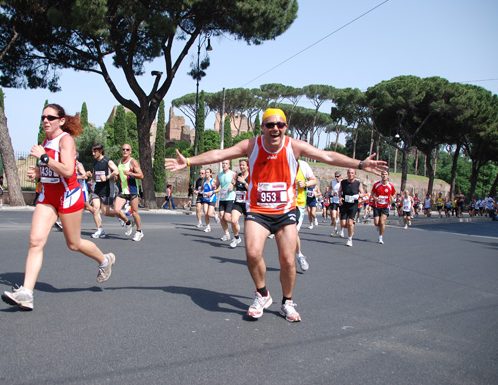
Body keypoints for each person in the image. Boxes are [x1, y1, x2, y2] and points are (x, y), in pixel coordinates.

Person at [165, 108, 387, 322]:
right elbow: (220, 153)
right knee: (252, 253)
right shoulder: (252, 145)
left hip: (285, 212)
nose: (275, 129)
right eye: (270, 125)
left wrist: (360, 164)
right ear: (262, 127)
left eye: (280, 125)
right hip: (259, 211)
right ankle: (262, 294)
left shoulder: (295, 146)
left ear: (285, 127)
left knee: (288, 259)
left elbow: (327, 155)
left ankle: (287, 302)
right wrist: (190, 161)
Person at [1, 104, 115, 311]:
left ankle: (104, 259)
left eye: (50, 117)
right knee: (35, 241)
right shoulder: (46, 141)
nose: (45, 120)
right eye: (43, 116)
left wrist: (44, 157)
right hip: (48, 196)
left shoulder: (66, 140)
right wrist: (39, 171)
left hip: (68, 196)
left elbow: (68, 170)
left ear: (61, 121)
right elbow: (51, 169)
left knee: (74, 244)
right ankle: (26, 293)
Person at [113, 143, 145, 241]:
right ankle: (128, 222)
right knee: (116, 210)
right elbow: (119, 175)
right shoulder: (119, 161)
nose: (125, 151)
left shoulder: (133, 162)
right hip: (123, 190)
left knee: (135, 213)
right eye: (123, 149)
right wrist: (116, 176)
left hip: (132, 190)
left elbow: (141, 175)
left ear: (130, 151)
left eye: (127, 149)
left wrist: (130, 173)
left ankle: (139, 231)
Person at [89, 143, 119, 239]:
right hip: (97, 188)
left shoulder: (107, 161)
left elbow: (116, 171)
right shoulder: (95, 162)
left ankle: (119, 215)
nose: (93, 153)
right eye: (92, 151)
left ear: (100, 151)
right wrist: (90, 175)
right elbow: (95, 175)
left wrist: (106, 177)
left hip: (107, 189)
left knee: (105, 212)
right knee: (95, 209)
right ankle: (100, 230)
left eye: (95, 151)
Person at [295, 159, 316, 269]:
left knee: (293, 232)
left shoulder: (303, 165)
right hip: (281, 204)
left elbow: (313, 180)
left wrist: (305, 184)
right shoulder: (278, 161)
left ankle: (299, 255)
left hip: (298, 203)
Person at [338, 168, 365, 247]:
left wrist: (359, 195)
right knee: (343, 224)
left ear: (355, 174)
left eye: (352, 173)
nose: (350, 174)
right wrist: (340, 198)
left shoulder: (358, 183)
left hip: (353, 205)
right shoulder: (343, 182)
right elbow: (340, 191)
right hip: (344, 204)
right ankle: (351, 229)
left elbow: (363, 193)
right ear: (347, 174)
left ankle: (349, 239)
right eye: (349, 173)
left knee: (350, 223)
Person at [371, 170, 396, 244]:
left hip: (386, 206)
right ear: (381, 175)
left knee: (382, 222)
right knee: (376, 223)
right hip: (377, 205)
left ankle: (380, 237)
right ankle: (379, 227)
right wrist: (375, 198)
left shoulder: (390, 186)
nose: (384, 175)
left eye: (385, 174)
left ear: (388, 176)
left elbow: (394, 194)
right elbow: (372, 194)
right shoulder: (376, 185)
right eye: (383, 174)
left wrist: (392, 198)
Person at [229, 159, 249, 248]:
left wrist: (244, 182)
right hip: (238, 202)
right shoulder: (237, 176)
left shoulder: (251, 176)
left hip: (248, 203)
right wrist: (232, 185)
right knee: (233, 220)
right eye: (240, 165)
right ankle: (236, 237)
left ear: (248, 166)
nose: (241, 167)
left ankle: (249, 242)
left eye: (243, 165)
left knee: (247, 226)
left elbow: (253, 189)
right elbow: (234, 186)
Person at [215, 160, 236, 242]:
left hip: (230, 198)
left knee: (227, 217)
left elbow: (236, 183)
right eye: (223, 163)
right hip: (222, 198)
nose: (224, 165)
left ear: (229, 165)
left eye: (226, 163)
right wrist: (214, 186)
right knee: (221, 216)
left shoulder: (233, 174)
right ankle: (226, 234)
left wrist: (233, 185)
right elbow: (217, 185)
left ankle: (235, 223)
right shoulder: (219, 175)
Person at [201, 168, 220, 233]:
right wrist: (197, 191)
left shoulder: (213, 181)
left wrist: (214, 190)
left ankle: (215, 216)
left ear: (210, 173)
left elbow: (219, 189)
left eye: (208, 172)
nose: (206, 174)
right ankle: (208, 227)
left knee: (209, 214)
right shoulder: (203, 181)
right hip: (205, 199)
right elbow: (201, 189)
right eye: (206, 172)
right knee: (205, 213)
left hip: (212, 199)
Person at [330, 171, 343, 237]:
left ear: (340, 176)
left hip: (341, 201)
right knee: (334, 216)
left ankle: (342, 230)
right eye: (335, 176)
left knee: (341, 217)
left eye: (337, 176)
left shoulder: (343, 182)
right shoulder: (332, 182)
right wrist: (330, 194)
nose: (336, 178)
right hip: (334, 201)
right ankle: (335, 229)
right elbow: (329, 189)